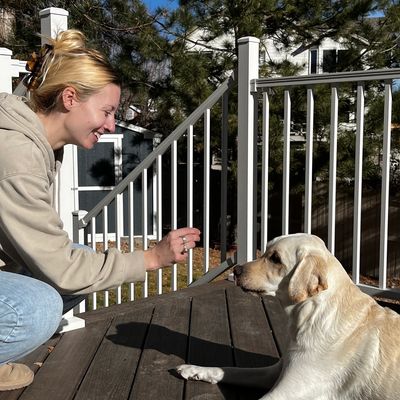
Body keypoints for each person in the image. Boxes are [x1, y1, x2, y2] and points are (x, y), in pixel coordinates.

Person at [0, 29, 200, 391]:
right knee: (39, 306)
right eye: (107, 111)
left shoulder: (40, 145)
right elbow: (61, 268)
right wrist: (151, 258)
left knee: (84, 260)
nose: (111, 125)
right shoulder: (16, 152)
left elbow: (51, 253)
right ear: (70, 98)